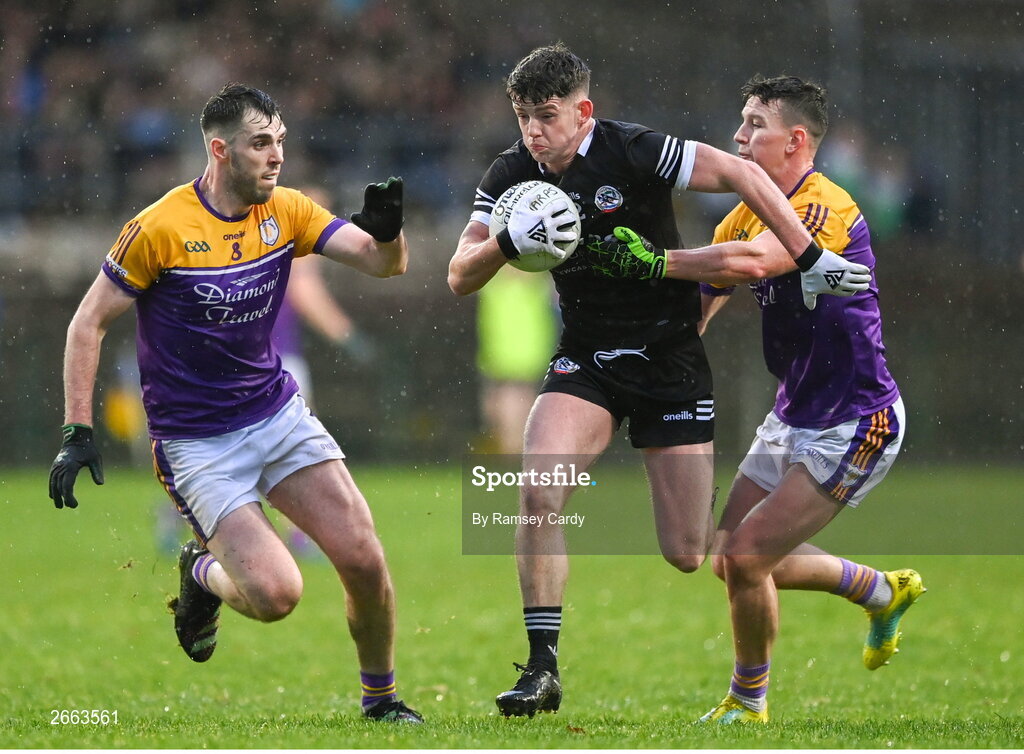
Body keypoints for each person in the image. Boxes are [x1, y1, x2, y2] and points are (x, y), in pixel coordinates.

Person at [447, 44, 869, 718]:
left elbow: (739, 173)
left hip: (670, 359)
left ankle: (859, 582)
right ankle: (542, 669)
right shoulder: (512, 177)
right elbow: (459, 273)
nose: (533, 131)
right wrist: (508, 239)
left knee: (688, 552)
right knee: (537, 492)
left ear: (584, 113)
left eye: (547, 116)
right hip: (586, 359)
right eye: (523, 116)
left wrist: (809, 254)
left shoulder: (636, 150)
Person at [47, 84, 422, 724]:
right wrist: (78, 430)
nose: (276, 157)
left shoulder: (287, 210)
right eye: (260, 144)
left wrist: (388, 236)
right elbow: (88, 325)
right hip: (196, 442)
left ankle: (381, 702)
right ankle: (202, 575)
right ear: (220, 150)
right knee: (277, 596)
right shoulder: (158, 228)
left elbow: (383, 265)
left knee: (364, 558)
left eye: (280, 141)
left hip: (276, 414)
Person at [588, 74, 923, 725]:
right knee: (730, 556)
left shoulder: (827, 205)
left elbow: (749, 264)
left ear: (796, 140)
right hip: (791, 414)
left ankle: (749, 704)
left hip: (857, 423)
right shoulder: (746, 207)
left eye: (753, 125)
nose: (738, 136)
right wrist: (635, 353)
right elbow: (702, 302)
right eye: (740, 122)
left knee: (745, 559)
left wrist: (655, 260)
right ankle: (880, 591)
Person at [476, 266, 558, 454]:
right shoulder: (492, 277)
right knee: (495, 411)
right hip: (497, 356)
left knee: (515, 414)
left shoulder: (535, 276)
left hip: (521, 356)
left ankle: (518, 461)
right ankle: (520, 459)